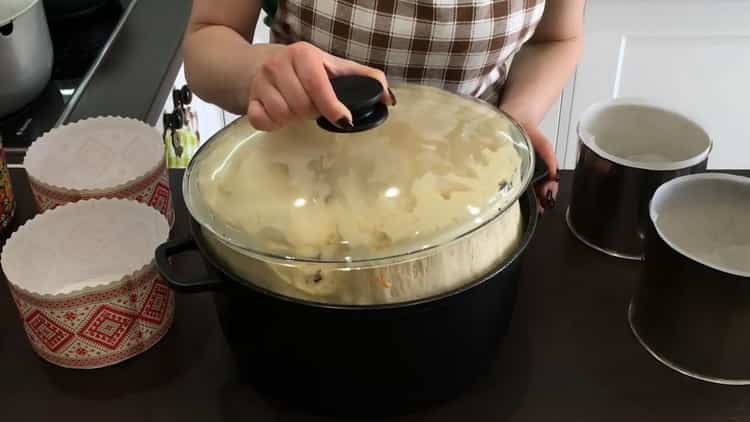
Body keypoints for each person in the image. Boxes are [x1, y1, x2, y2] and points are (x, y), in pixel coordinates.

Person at [183, 0, 585, 210]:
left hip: (474, 187)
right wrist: (256, 71)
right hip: (302, 189)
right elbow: (208, 38)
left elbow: (556, 39)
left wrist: (515, 123)